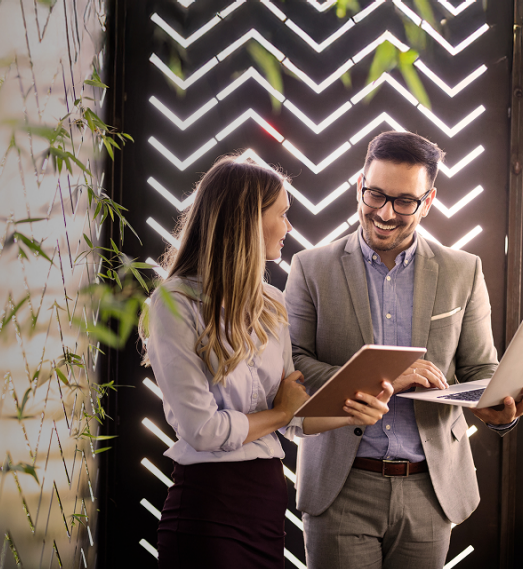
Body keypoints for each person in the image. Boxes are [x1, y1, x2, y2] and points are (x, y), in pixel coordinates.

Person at [284, 131, 523, 568]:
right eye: (375, 195)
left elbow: (479, 368)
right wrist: (384, 381)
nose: (385, 213)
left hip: (430, 491)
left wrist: (498, 408)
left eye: (404, 201)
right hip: (341, 487)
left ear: (428, 200)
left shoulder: (463, 270)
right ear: (360, 185)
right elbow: (293, 366)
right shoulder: (310, 267)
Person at [143, 156, 394, 569]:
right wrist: (280, 413)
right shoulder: (173, 304)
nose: (289, 227)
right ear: (247, 221)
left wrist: (357, 410)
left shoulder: (271, 303)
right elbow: (203, 430)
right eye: (282, 214)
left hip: (265, 505)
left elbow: (294, 417)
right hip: (208, 508)